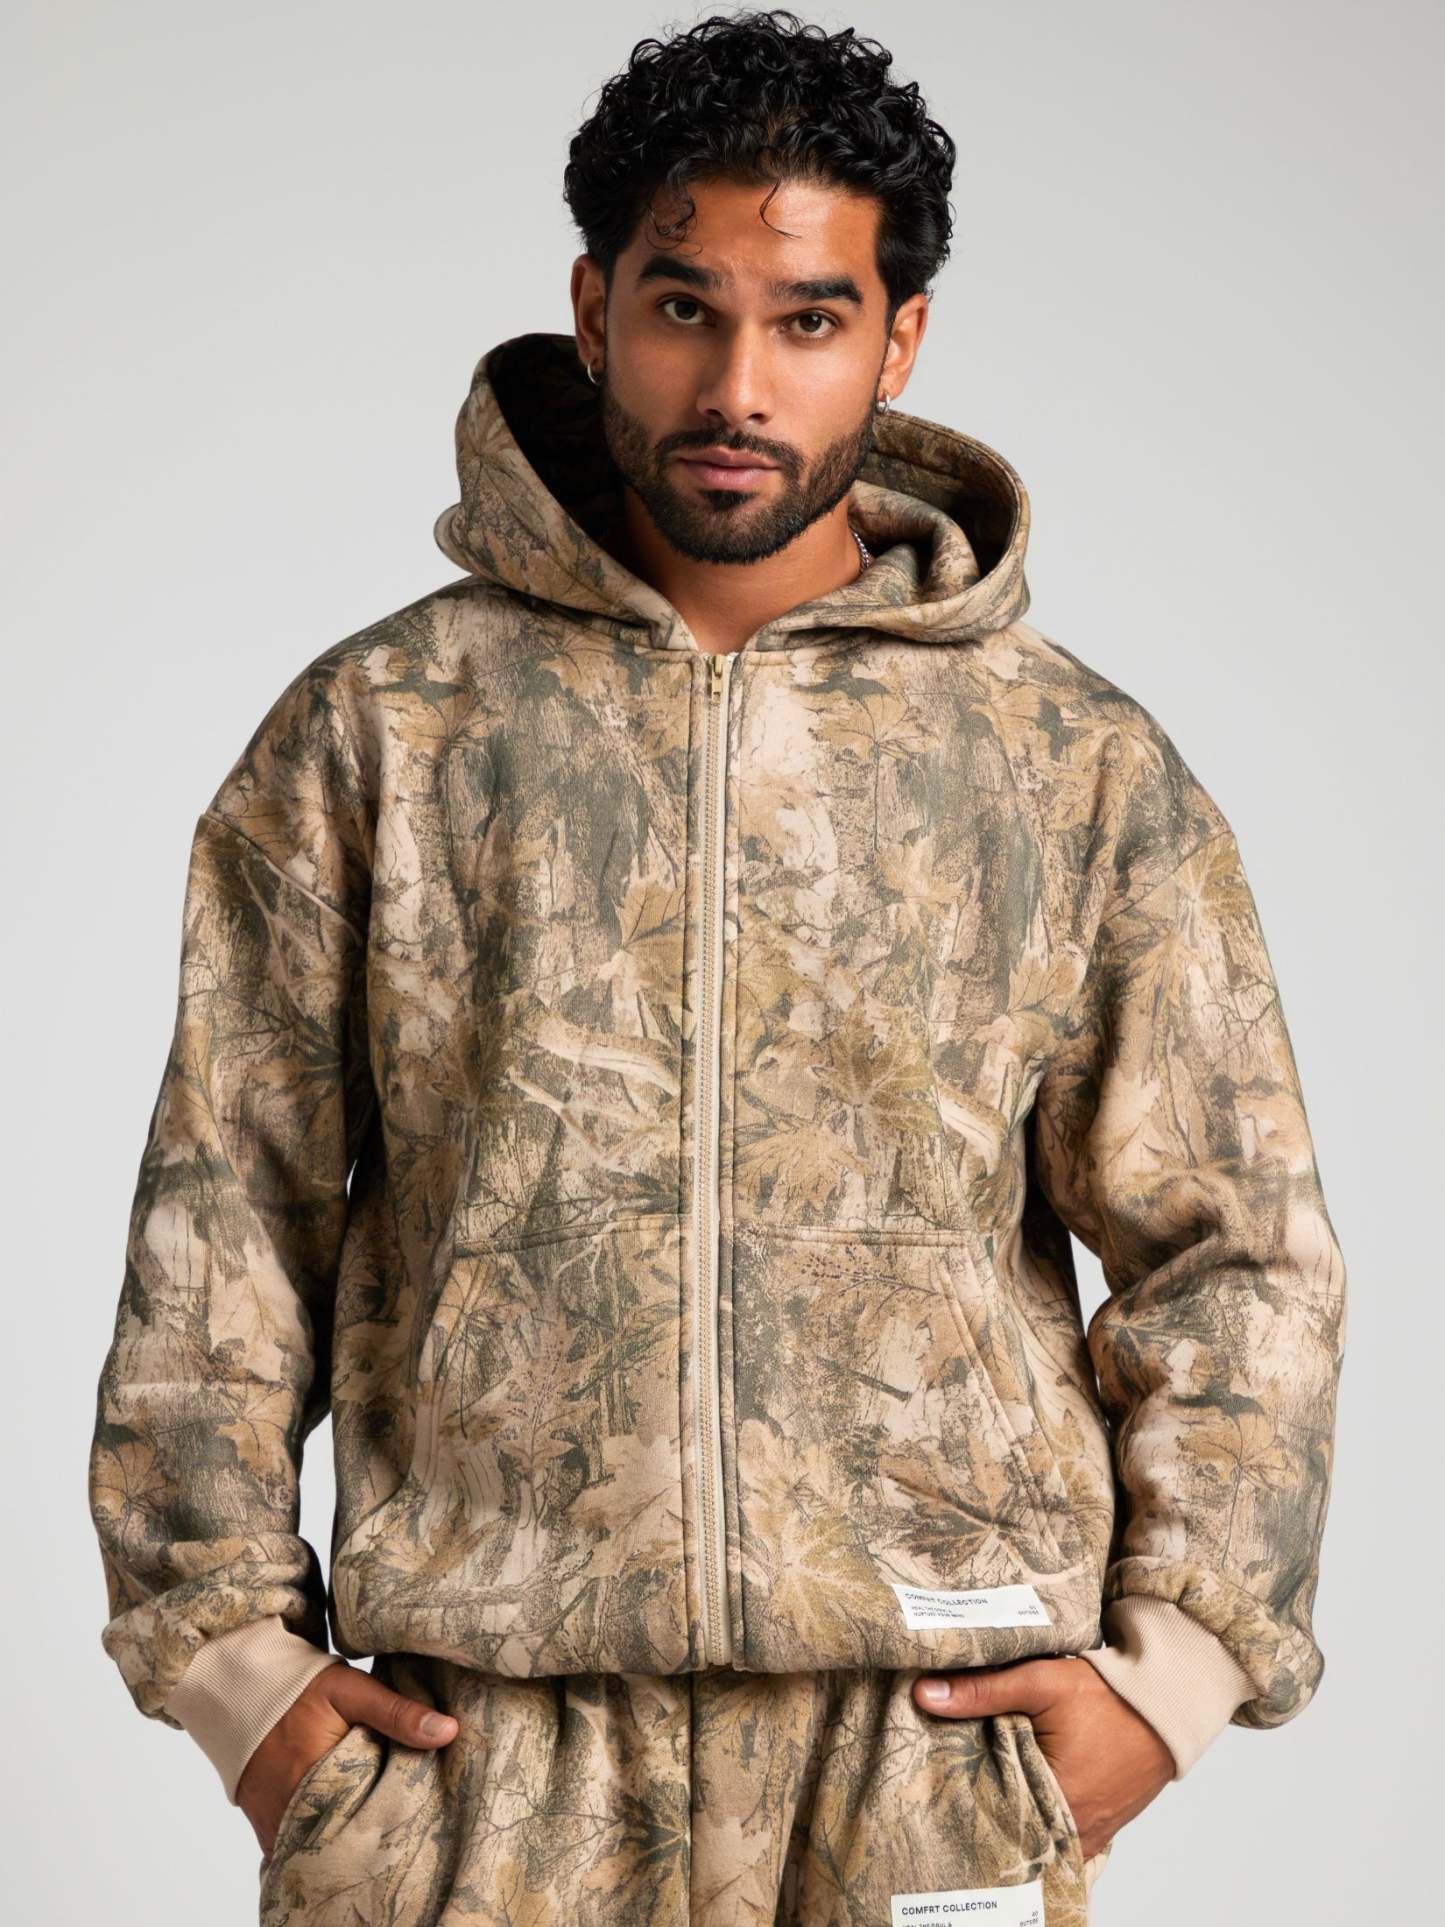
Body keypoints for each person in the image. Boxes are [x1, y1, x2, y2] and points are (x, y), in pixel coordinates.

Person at [86, 11, 1347, 1923]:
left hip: (924, 1746)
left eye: (809, 320)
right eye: (686, 310)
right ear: (594, 309)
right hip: (478, 1754)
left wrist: (1168, 1683)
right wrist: (238, 1676)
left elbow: (1235, 1242)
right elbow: (224, 1211)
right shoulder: (386, 727)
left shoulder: (1066, 764)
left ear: (895, 342)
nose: (737, 385)